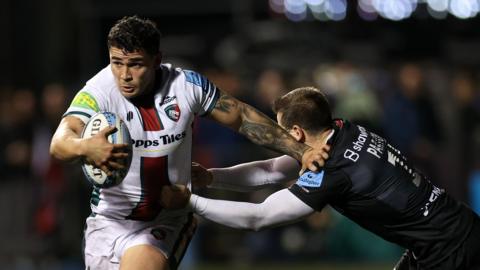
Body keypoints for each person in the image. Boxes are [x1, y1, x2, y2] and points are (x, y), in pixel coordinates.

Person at [49, 16, 328, 270]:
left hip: (163, 221)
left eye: (135, 64)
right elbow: (60, 141)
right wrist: (85, 147)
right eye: (116, 62)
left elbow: (242, 117)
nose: (124, 75)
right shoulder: (98, 91)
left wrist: (300, 150)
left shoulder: (187, 86)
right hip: (108, 221)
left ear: (157, 60)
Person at [170, 87, 480, 269]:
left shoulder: (332, 172)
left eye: (281, 132)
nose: (279, 138)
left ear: (296, 133)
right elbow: (271, 171)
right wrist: (211, 178)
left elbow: (257, 217)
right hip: (448, 231)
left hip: (450, 249)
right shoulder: (346, 130)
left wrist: (190, 201)